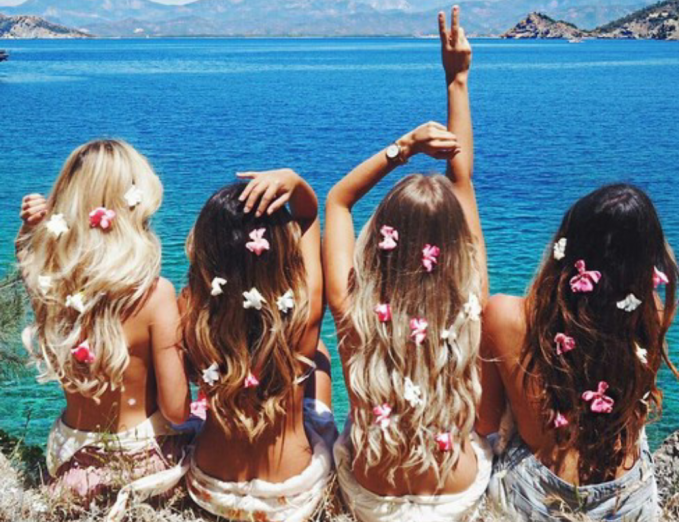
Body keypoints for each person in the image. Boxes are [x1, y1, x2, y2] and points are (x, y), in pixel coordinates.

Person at [323, 7, 492, 521]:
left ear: (381, 239)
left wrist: (404, 148)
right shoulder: (471, 300)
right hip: (453, 495)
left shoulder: (353, 309)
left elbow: (338, 201)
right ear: (455, 248)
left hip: (370, 496)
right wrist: (457, 80)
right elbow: (461, 180)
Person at [476, 184, 679, 521]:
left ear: (567, 248)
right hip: (626, 499)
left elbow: (484, 422)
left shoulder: (505, 316)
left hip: (539, 500)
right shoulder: (650, 316)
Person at [16, 140, 191, 507]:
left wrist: (32, 231)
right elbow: (176, 411)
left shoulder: (49, 286)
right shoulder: (156, 294)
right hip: (141, 465)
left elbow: (29, 257)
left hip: (70, 461)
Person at [180, 169, 336, 522]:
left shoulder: (190, 311)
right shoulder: (304, 314)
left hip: (211, 487)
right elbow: (309, 217)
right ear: (282, 253)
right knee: (318, 356)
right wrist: (296, 183)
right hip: (291, 494)